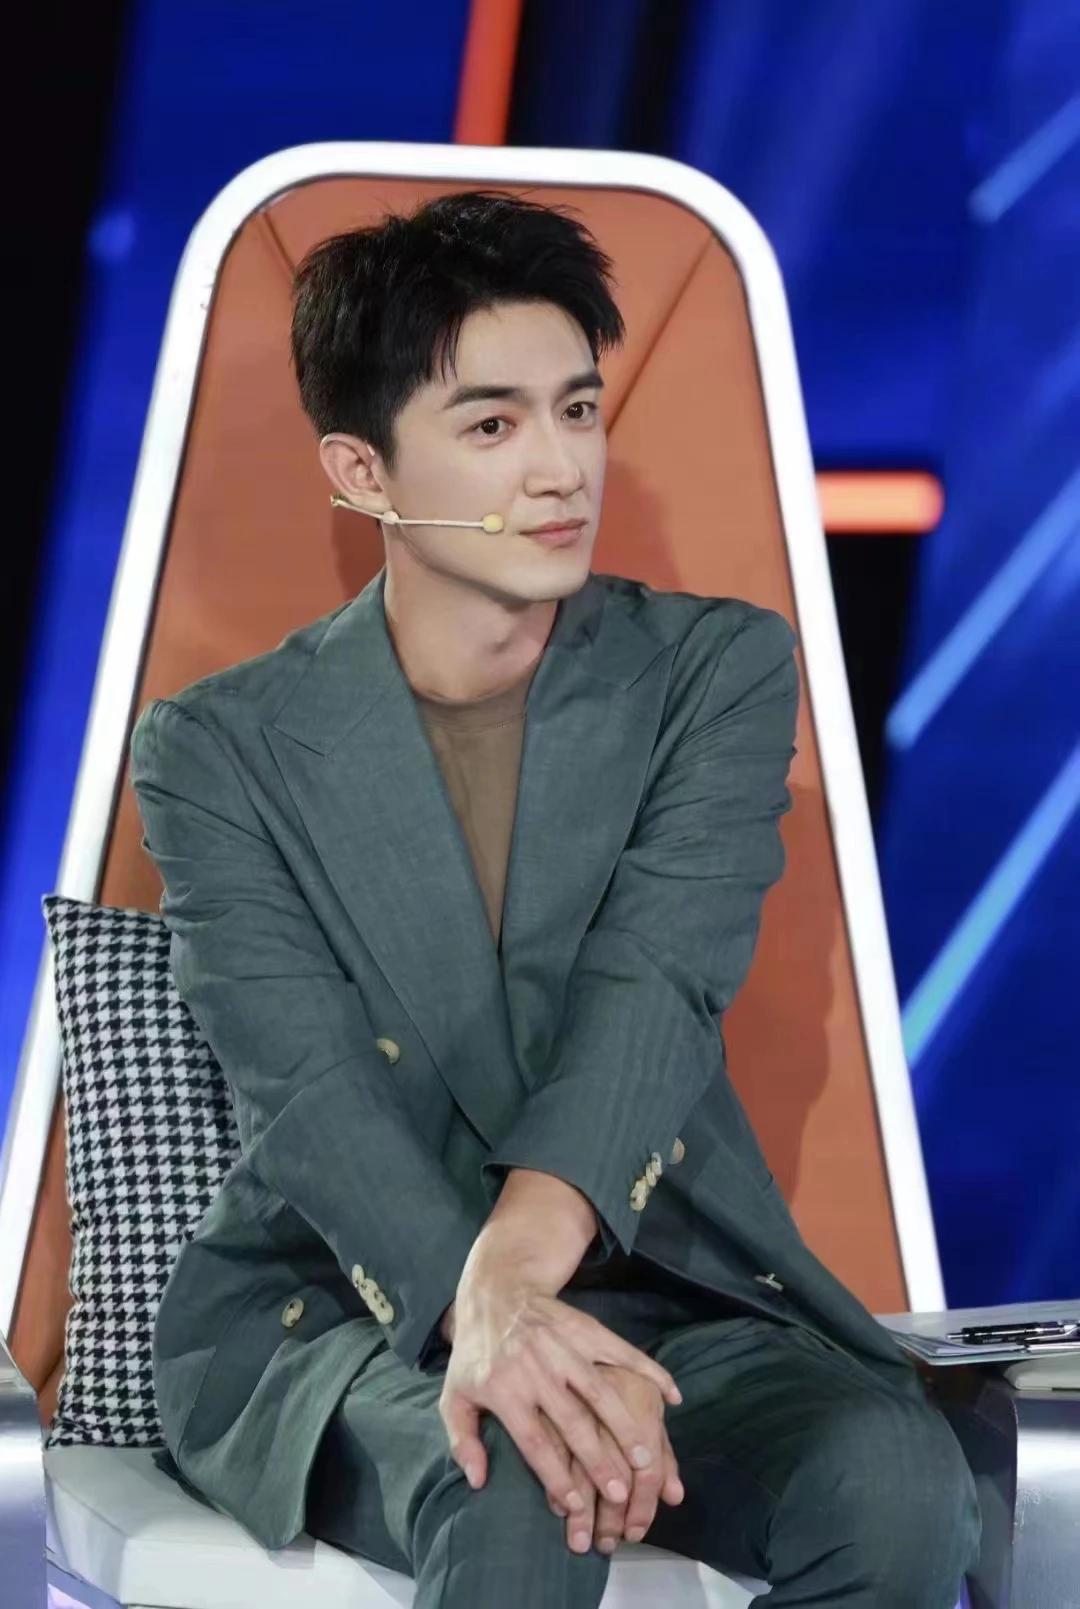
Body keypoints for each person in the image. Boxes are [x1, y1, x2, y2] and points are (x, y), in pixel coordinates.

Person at [130, 188, 981, 1607]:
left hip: (656, 1284)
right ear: (362, 471)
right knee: (516, 1473)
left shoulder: (713, 672)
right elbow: (304, 1086)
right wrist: (484, 1308)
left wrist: (525, 1283)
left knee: (894, 1482)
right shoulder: (222, 746)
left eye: (578, 410)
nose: (559, 467)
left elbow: (656, 988)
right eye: (491, 425)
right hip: (347, 1306)